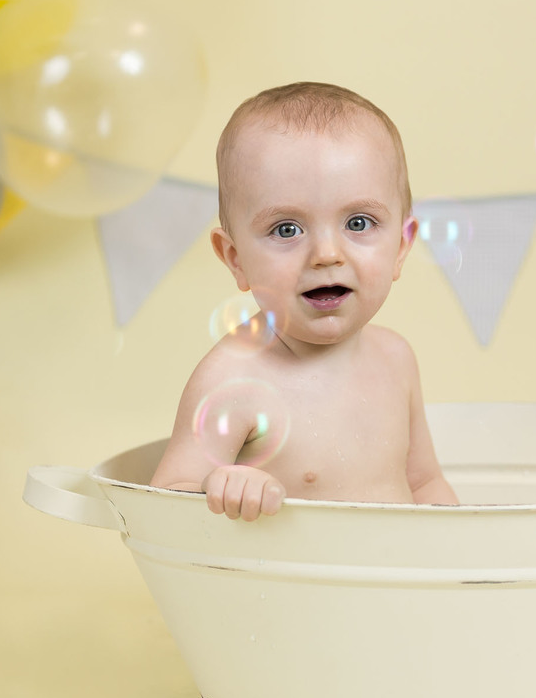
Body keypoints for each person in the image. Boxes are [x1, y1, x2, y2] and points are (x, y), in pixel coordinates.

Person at [150, 82, 458, 520]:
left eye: (358, 222)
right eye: (287, 230)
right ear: (235, 259)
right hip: (286, 588)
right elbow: (165, 497)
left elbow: (424, 482)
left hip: (397, 584)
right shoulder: (231, 378)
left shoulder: (396, 359)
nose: (327, 254)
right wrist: (217, 486)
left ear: (402, 247)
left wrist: (463, 562)